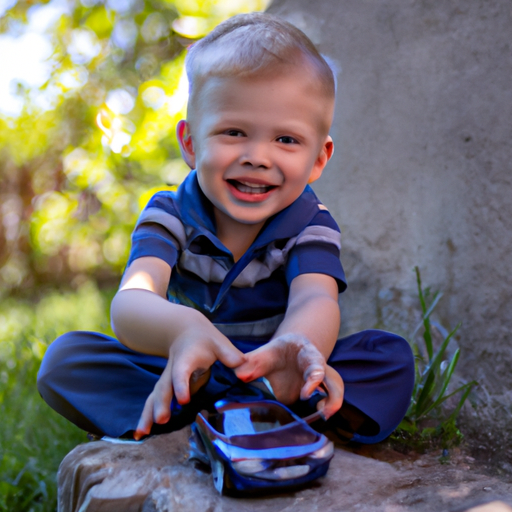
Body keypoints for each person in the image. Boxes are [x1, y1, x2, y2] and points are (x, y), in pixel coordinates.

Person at [37, 13, 414, 444]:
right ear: (191, 144)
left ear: (318, 159)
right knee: (67, 360)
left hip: (276, 373)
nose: (257, 156)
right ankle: (218, 410)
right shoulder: (170, 213)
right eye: (234, 132)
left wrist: (298, 346)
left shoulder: (311, 222)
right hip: (185, 367)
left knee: (389, 358)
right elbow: (133, 300)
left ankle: (271, 403)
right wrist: (182, 331)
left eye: (286, 140)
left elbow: (315, 296)